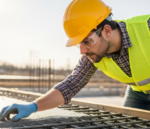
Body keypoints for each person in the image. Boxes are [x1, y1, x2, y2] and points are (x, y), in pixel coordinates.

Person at [0, 0, 150, 122]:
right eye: (79, 44)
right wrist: (32, 107)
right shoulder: (92, 56)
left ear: (107, 31)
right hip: (138, 94)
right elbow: (70, 85)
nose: (82, 51)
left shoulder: (146, 29)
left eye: (86, 41)